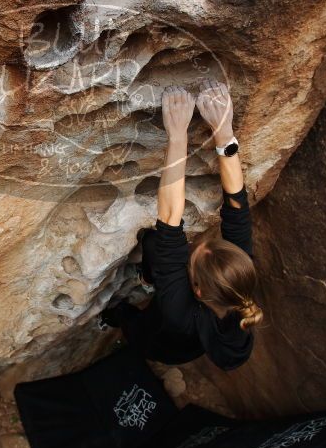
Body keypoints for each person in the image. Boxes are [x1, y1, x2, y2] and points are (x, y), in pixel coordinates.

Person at [99, 79, 263, 369]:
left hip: (164, 342)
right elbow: (237, 207)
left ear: (196, 290)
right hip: (197, 325)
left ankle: (110, 318)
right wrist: (224, 132)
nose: (193, 245)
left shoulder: (179, 310)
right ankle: (149, 278)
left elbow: (170, 219)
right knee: (153, 247)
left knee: (130, 320)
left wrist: (177, 137)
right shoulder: (236, 274)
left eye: (192, 256)